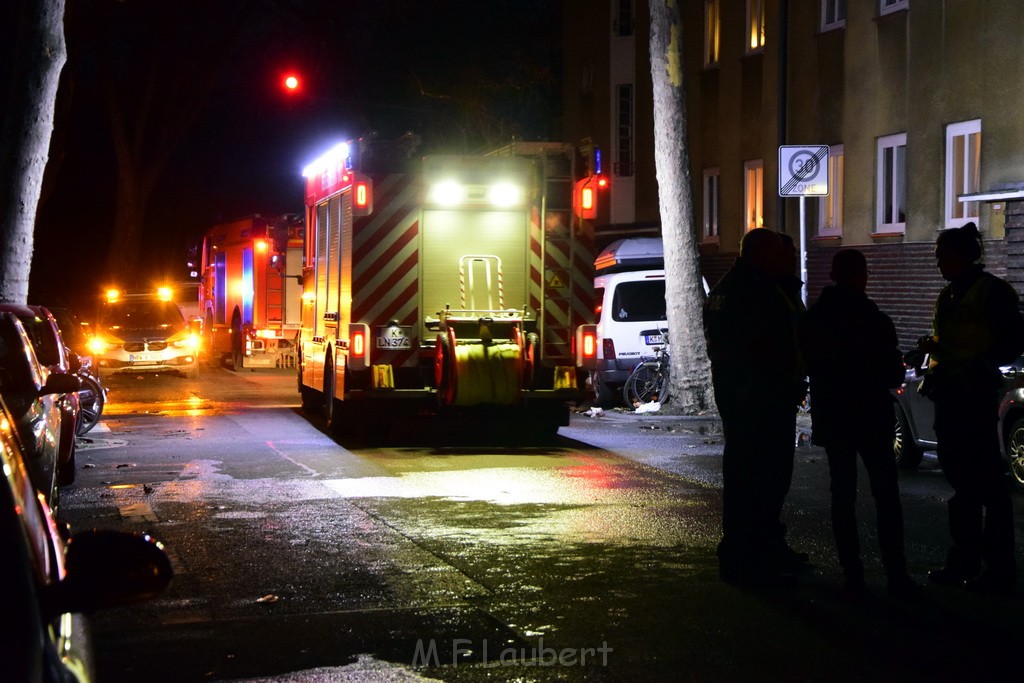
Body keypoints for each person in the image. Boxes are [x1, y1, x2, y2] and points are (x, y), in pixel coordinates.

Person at [800, 249, 920, 598]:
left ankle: (852, 574)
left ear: (834, 275)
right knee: (886, 494)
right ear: (862, 276)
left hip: (834, 414)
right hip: (871, 415)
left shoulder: (814, 319)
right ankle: (896, 573)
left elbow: (809, 363)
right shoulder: (875, 320)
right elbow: (891, 373)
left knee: (842, 493)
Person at [919, 222, 1024, 595]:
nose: (938, 264)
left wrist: (962, 359)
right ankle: (966, 560)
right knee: (964, 486)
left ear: (965, 256)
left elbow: (1009, 344)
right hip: (950, 398)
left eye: (943, 256)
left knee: (987, 488)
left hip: (974, 398)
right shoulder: (949, 295)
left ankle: (997, 569)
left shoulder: (993, 293)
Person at [703, 228, 808, 586]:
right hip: (759, 399)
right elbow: (759, 348)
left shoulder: (729, 288)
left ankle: (753, 549)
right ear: (762, 254)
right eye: (779, 254)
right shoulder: (753, 291)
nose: (784, 261)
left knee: (752, 477)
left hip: (750, 397)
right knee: (759, 478)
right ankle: (748, 554)